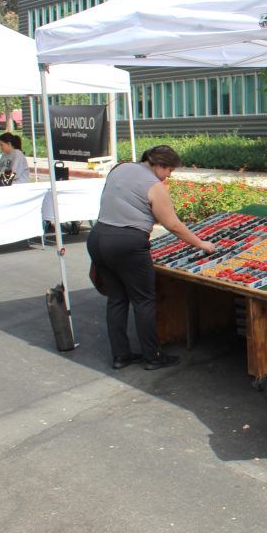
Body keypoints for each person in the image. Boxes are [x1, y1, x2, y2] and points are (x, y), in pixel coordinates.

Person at [87, 145, 215, 371]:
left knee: (117, 299)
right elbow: (173, 224)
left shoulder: (120, 168)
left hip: (98, 237)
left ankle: (121, 356)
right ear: (159, 165)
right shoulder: (154, 186)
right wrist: (201, 243)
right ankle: (153, 356)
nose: (169, 176)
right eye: (169, 171)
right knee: (143, 301)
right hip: (127, 243)